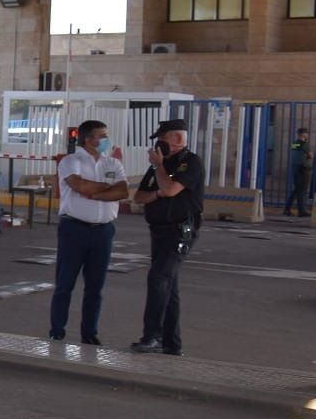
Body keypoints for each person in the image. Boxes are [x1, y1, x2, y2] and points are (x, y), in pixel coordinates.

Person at [48, 120, 129, 345]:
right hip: (74, 229)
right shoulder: (70, 162)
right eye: (102, 136)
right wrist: (105, 187)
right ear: (89, 139)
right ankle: (57, 330)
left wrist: (94, 191)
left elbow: (122, 191)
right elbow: (79, 186)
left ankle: (89, 333)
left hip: (103, 231)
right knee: (65, 283)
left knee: (95, 287)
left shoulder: (113, 163)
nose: (107, 140)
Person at [131, 119, 204, 356]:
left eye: (161, 140)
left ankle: (153, 336)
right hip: (159, 231)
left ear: (177, 139)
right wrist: (160, 190)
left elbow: (172, 189)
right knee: (168, 286)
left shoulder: (189, 162)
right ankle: (172, 343)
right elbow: (140, 196)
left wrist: (161, 173)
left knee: (158, 278)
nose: (157, 146)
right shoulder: (158, 167)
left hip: (179, 230)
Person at [284, 127, 313, 217]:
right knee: (303, 191)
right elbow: (311, 155)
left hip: (295, 168)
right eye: (307, 133)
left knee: (297, 190)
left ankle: (287, 209)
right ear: (303, 134)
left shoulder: (294, 143)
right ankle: (302, 211)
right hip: (304, 169)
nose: (307, 135)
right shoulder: (305, 144)